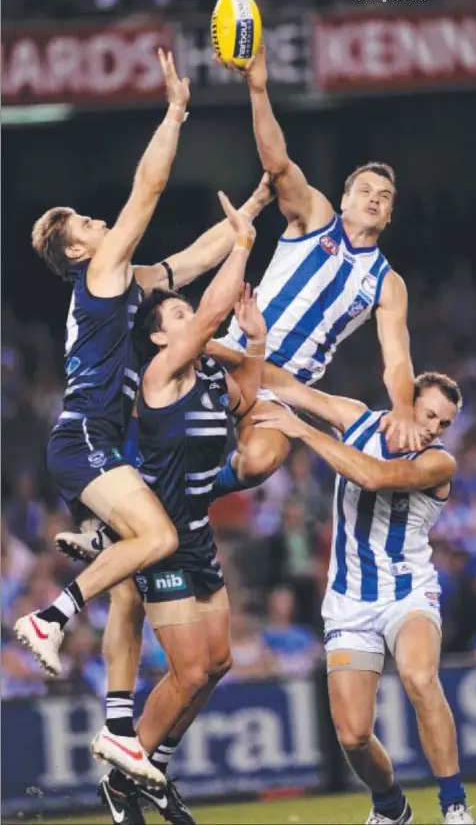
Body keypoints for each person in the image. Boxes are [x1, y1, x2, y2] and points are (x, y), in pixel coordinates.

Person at [13, 48, 271, 787]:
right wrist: (175, 112)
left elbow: (188, 259)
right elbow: (148, 189)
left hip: (96, 442)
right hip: (87, 439)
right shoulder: (99, 273)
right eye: (87, 224)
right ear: (76, 250)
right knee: (156, 535)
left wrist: (248, 215)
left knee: (133, 573)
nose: (100, 222)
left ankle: (121, 725)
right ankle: (51, 614)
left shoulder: (126, 283)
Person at [98, 201, 266, 824]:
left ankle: (154, 768)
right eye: (177, 312)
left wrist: (253, 339)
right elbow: (214, 311)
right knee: (189, 667)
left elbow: (249, 387)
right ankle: (125, 775)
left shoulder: (209, 375)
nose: (189, 314)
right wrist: (242, 243)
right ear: (161, 336)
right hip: (159, 537)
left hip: (197, 533)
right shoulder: (162, 372)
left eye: (187, 308)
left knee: (218, 662)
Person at [253, 371, 474, 825]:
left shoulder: (439, 463)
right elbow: (285, 386)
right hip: (349, 601)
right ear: (403, 401)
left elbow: (375, 476)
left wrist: (301, 430)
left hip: (407, 591)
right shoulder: (356, 419)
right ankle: (391, 806)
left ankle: (455, 807)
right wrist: (229, 347)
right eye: (429, 414)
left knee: (418, 676)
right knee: (353, 736)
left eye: (445, 423)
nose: (435, 427)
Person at [208, 45, 419, 503]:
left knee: (260, 461)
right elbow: (278, 163)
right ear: (344, 200)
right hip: (234, 352)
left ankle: (198, 493)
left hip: (286, 385)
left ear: (389, 218)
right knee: (159, 398)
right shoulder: (317, 215)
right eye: (364, 189)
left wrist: (403, 407)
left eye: (384, 197)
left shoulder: (388, 283)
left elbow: (398, 359)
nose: (375, 198)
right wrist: (258, 88)